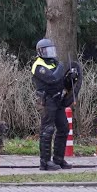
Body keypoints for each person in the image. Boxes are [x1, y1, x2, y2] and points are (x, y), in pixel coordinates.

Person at [31, 38, 76, 171]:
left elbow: (61, 81)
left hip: (58, 100)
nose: (50, 53)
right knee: (47, 130)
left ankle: (58, 159)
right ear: (40, 52)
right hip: (46, 101)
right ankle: (44, 162)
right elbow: (53, 79)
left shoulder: (54, 63)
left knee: (64, 128)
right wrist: (62, 68)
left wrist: (70, 77)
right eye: (46, 50)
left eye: (51, 50)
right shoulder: (39, 66)